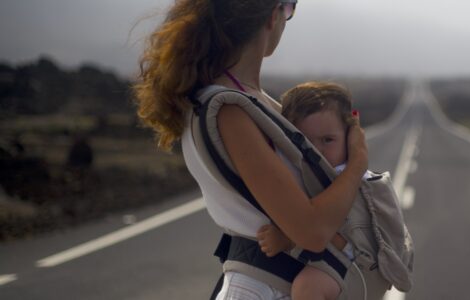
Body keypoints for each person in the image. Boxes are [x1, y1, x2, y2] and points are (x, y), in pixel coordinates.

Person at [133, 1, 369, 299]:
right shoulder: (228, 109)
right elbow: (311, 232)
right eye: (290, 8)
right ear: (273, 15)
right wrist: (357, 162)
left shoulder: (248, 101)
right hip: (264, 287)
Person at [257, 81, 361, 300]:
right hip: (330, 261)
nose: (317, 150)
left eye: (328, 140)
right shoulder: (306, 173)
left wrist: (288, 239)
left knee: (307, 288)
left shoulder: (346, 178)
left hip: (353, 264)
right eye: (304, 141)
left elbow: (347, 232)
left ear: (350, 137)